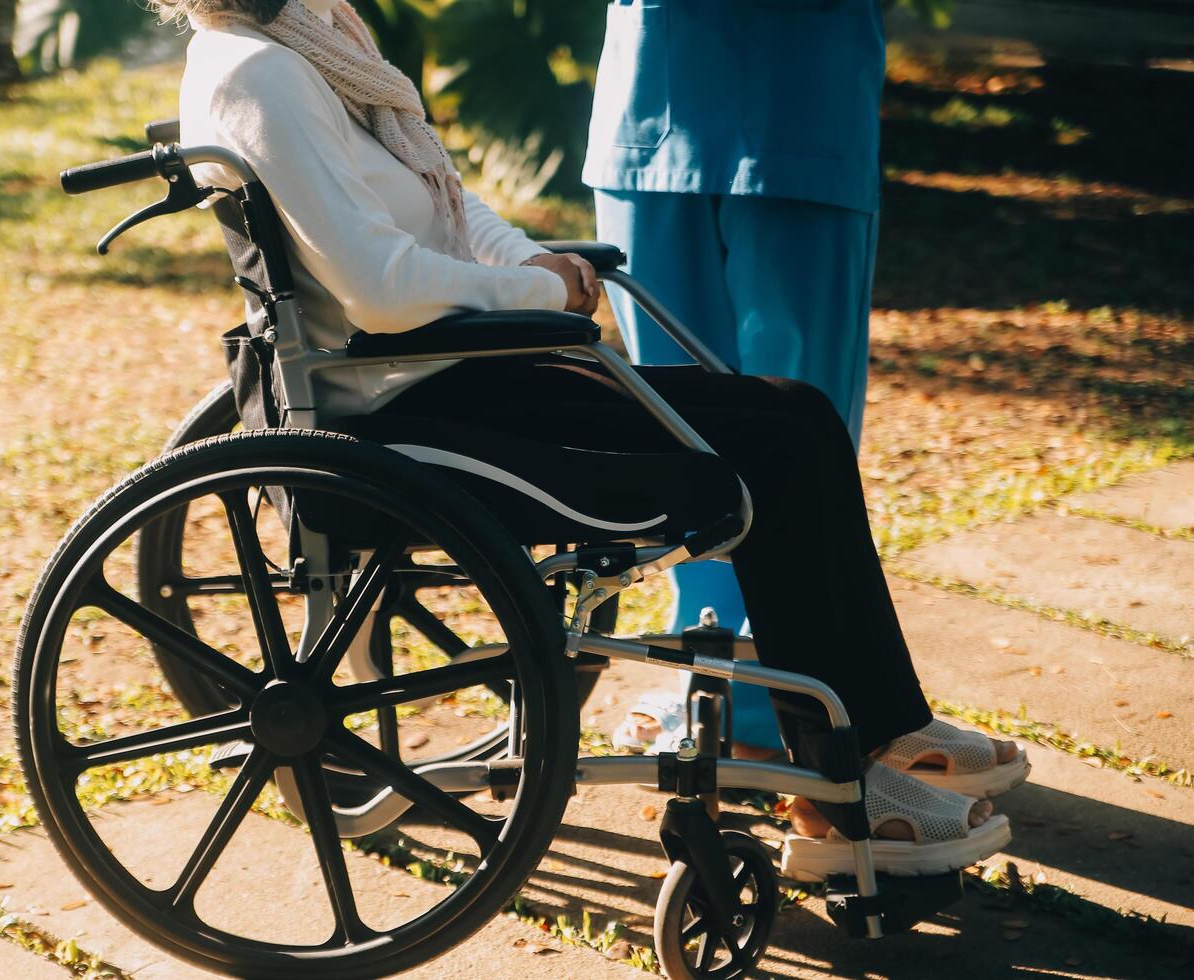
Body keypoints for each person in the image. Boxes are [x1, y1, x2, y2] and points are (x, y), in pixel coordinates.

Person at [162, 0, 1026, 877]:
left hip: (460, 377)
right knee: (770, 454)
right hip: (411, 410)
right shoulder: (258, 72)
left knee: (795, 412)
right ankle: (852, 792)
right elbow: (382, 292)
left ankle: (880, 739)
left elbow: (445, 211)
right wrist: (542, 296)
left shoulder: (317, 39)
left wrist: (540, 267)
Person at [583, 0, 886, 754]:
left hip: (787, 111)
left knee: (795, 428)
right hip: (667, 107)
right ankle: (721, 689)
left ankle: (765, 710)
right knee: (689, 433)